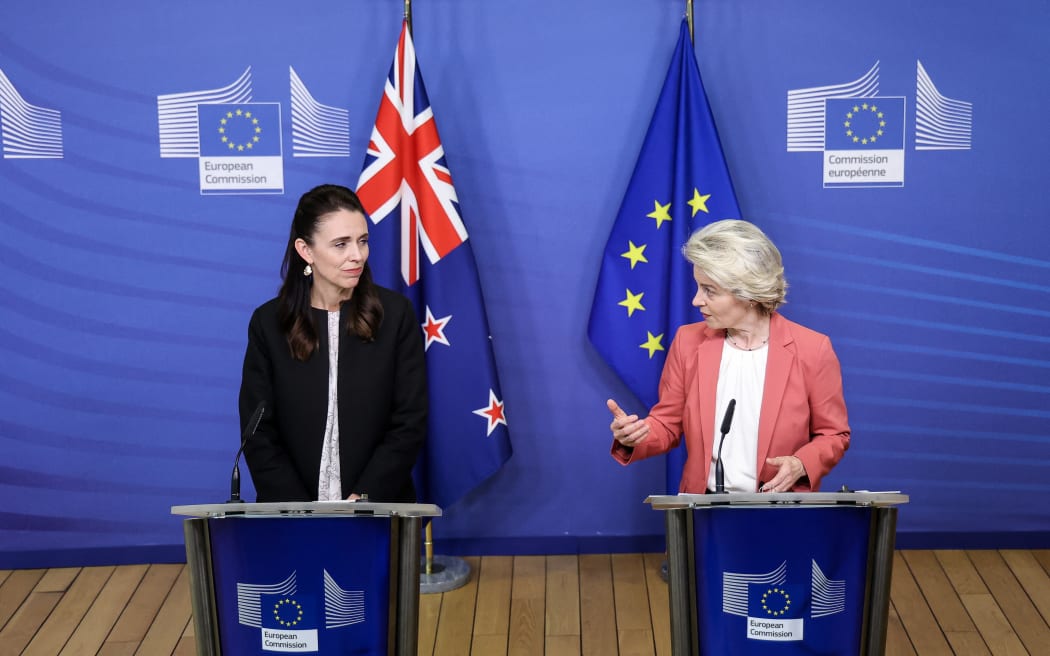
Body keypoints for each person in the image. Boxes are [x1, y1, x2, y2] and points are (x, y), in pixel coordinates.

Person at [607, 219, 849, 493]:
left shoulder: (812, 349)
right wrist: (635, 437)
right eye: (698, 287)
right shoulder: (688, 342)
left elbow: (834, 434)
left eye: (709, 290)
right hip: (702, 512)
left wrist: (801, 463)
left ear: (749, 293)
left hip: (781, 512)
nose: (696, 300)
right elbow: (667, 425)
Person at [239, 184, 427, 502]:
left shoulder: (395, 315)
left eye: (362, 241)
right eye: (341, 244)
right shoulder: (269, 323)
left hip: (379, 512)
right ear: (306, 250)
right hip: (291, 521)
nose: (357, 255)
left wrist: (364, 498)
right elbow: (259, 431)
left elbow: (409, 421)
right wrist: (299, 510)